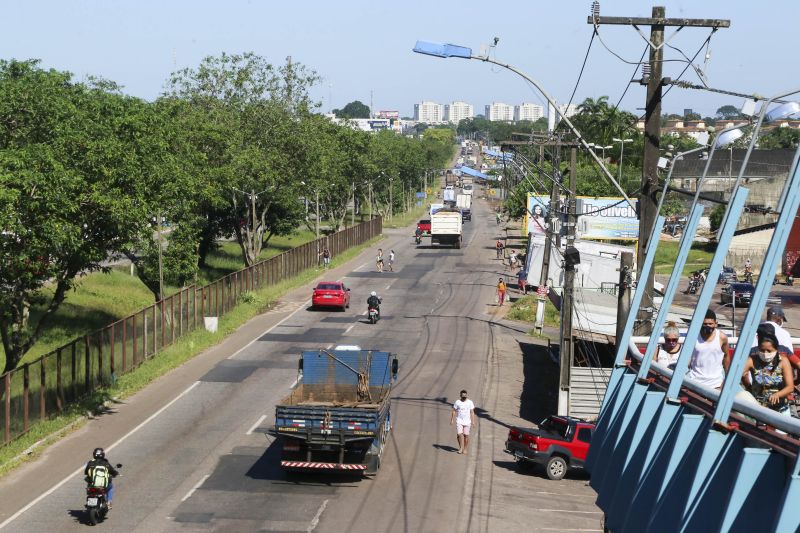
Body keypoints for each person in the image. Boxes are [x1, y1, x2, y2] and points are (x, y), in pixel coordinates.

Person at [742, 332, 795, 415]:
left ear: (776, 349)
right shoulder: (751, 360)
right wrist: (748, 387)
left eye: (769, 351)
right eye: (762, 350)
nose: (765, 353)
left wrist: (777, 394)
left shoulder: (783, 361)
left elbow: (790, 387)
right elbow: (739, 375)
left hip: (780, 408)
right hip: (758, 407)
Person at [686, 310, 730, 389]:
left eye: (710, 324)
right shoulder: (694, 336)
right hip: (695, 382)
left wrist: (727, 379)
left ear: (716, 323)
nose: (707, 326)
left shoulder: (722, 337)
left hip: (716, 384)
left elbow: (726, 356)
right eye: (705, 324)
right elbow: (687, 357)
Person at [450, 389, 476, 454]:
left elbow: (472, 412)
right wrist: (452, 420)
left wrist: (473, 421)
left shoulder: (470, 402)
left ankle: (465, 448)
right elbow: (454, 411)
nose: (464, 397)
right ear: (460, 396)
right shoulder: (457, 402)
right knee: (459, 434)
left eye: (465, 396)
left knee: (466, 435)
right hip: (459, 420)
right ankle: (461, 448)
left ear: (466, 395)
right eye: (463, 396)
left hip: (467, 422)